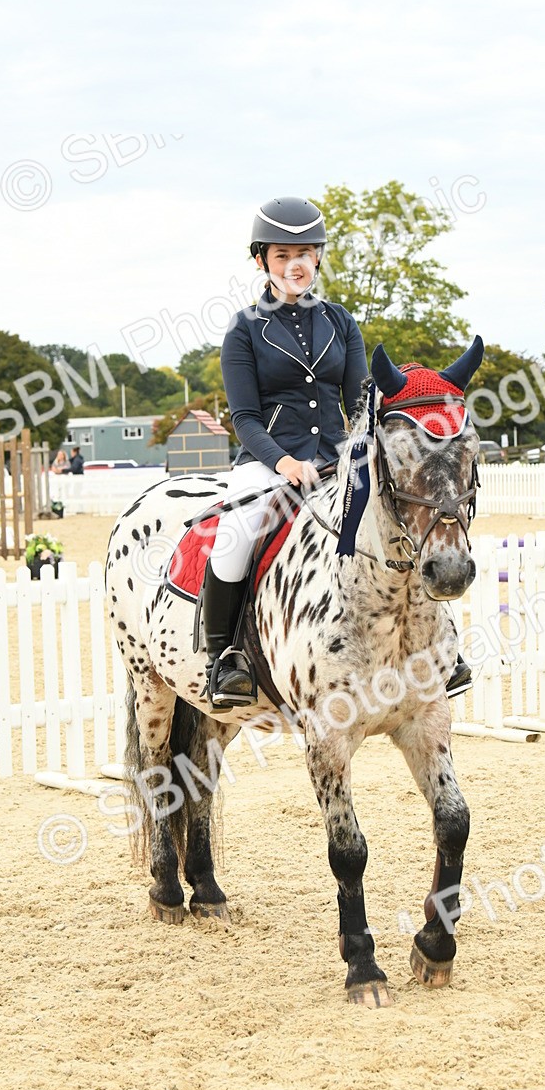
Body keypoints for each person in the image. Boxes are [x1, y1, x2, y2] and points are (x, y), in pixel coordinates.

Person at [204, 195, 368, 709]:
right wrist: (285, 462)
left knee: (401, 519)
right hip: (268, 462)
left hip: (337, 459)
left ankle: (438, 648)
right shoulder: (244, 328)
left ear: (318, 256)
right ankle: (224, 658)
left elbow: (359, 399)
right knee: (233, 537)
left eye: (305, 253)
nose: (295, 264)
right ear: (261, 261)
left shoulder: (341, 322)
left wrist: (360, 452)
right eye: (281, 255)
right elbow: (244, 419)